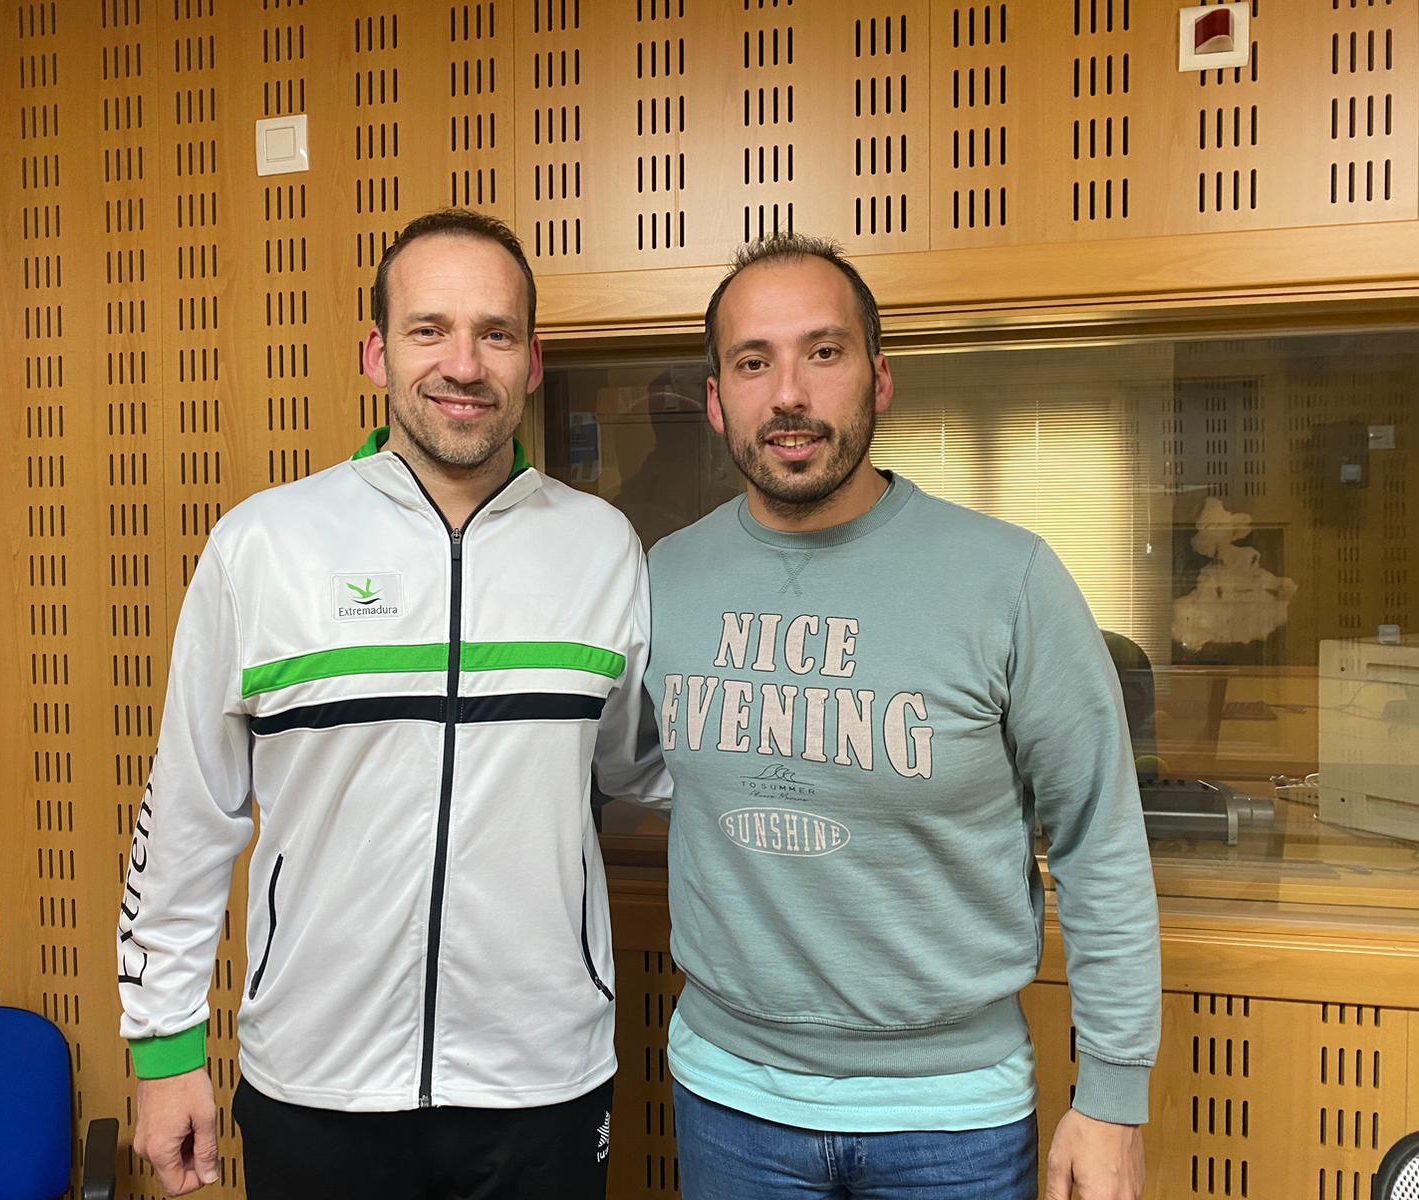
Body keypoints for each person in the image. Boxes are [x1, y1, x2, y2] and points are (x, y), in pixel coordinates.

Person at [117, 209, 667, 1199]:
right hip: (315, 1079)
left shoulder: (602, 549)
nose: (463, 363)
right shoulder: (265, 546)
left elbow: (638, 764)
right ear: (376, 352)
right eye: (428, 330)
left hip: (542, 1079)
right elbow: (188, 811)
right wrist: (163, 1050)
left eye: (495, 333)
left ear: (532, 362)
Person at [642, 234, 1161, 1200]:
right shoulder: (663, 578)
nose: (789, 392)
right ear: (717, 399)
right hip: (728, 1100)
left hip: (951, 1119)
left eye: (823, 352)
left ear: (880, 381)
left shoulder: (1008, 579)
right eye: (754, 362)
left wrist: (1115, 1099)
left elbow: (1101, 842)